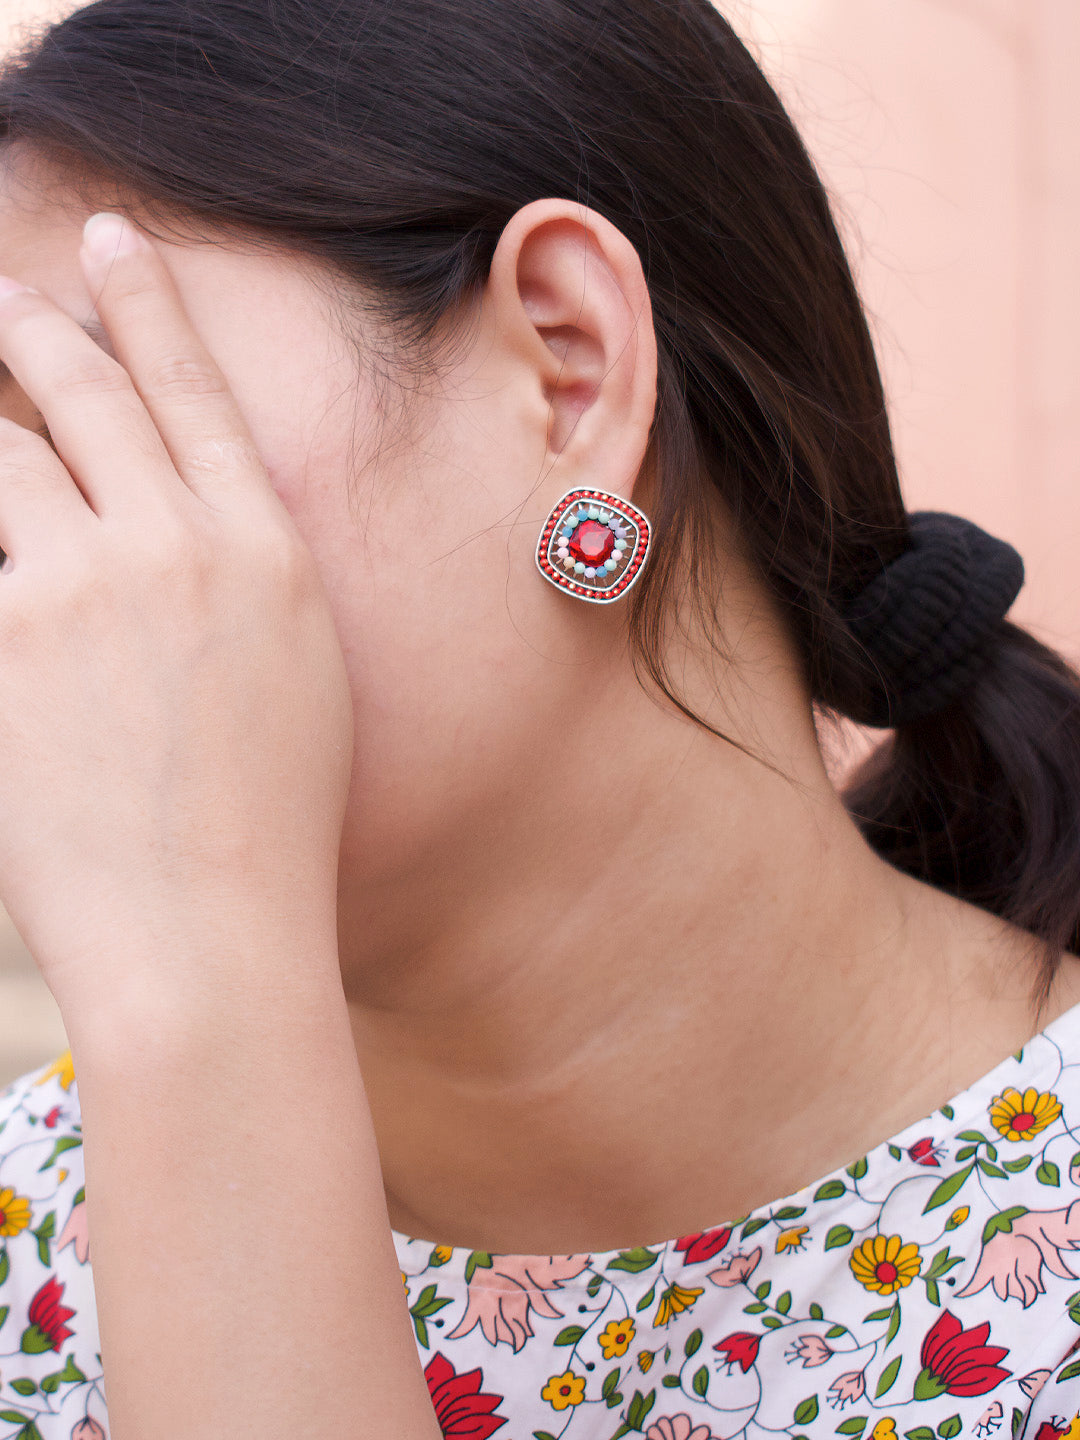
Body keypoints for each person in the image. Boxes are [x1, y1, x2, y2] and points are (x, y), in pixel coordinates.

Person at [0, 0, 1078, 1436]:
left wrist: (203, 983)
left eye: (91, 430)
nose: (54, 591)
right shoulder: (40, 1218)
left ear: (567, 367)